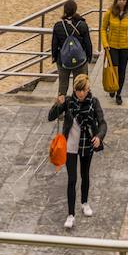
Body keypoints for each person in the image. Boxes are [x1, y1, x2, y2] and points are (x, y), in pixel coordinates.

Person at [48, 73, 107, 229]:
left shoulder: (94, 102)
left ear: (88, 89)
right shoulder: (68, 102)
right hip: (70, 147)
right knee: (72, 179)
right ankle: (70, 215)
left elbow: (102, 123)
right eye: (78, 90)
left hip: (87, 145)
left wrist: (99, 137)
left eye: (84, 90)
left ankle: (85, 202)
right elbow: (51, 117)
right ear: (74, 89)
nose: (81, 93)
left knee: (85, 175)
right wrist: (56, 104)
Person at [100, 0, 128, 104]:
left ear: (127, 1)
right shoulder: (110, 12)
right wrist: (105, 43)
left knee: (122, 71)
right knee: (114, 68)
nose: (122, 1)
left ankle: (119, 93)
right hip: (112, 46)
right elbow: (103, 29)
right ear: (116, 0)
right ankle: (113, 86)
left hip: (125, 46)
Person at [52, 0, 93, 98]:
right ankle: (78, 106)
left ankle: (61, 107)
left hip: (63, 60)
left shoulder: (58, 26)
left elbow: (54, 44)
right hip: (80, 60)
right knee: (80, 84)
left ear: (64, 11)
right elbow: (88, 43)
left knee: (62, 85)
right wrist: (89, 57)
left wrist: (54, 57)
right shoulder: (82, 25)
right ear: (75, 10)